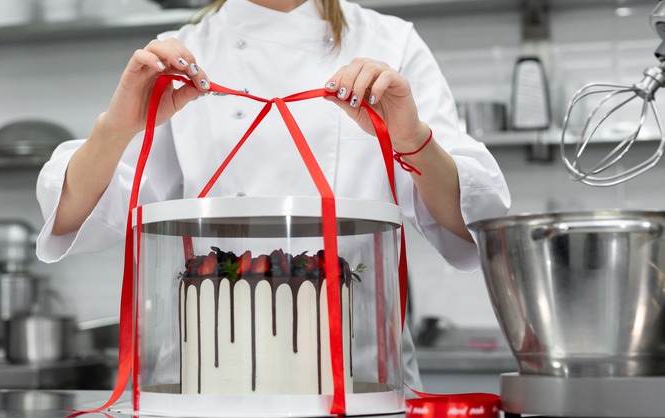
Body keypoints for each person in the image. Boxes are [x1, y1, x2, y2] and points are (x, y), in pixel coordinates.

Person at [35, 0, 510, 389]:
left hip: (362, 377)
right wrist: (116, 128)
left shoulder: (392, 43)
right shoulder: (183, 55)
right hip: (213, 377)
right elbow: (82, 214)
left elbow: (471, 220)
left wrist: (411, 139)